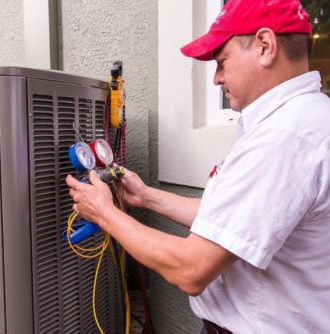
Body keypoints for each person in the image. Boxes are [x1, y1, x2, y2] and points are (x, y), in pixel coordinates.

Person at [66, 0, 330, 333]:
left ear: (265, 46)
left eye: (222, 62)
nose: (217, 79)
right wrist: (147, 197)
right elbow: (233, 219)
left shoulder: (285, 137)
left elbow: (191, 269)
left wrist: (105, 213)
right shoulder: (303, 120)